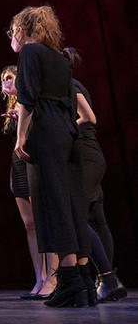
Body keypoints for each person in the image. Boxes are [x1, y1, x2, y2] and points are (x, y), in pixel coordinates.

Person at [7, 5, 91, 307]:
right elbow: (69, 99)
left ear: (22, 29)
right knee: (72, 202)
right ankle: (82, 280)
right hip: (68, 133)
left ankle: (68, 278)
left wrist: (20, 136)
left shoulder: (30, 53)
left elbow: (27, 99)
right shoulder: (60, 57)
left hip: (46, 132)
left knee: (53, 202)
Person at [62, 47, 127, 302]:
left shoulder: (70, 85)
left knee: (76, 217)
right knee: (97, 220)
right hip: (92, 156)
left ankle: (106, 278)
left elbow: (89, 117)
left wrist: (64, 126)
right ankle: (107, 281)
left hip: (86, 158)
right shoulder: (73, 84)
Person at [0, 66, 58, 300]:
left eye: (9, 78)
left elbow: (42, 131)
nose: (5, 82)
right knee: (30, 225)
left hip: (35, 164)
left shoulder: (30, 101)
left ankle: (53, 279)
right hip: (18, 168)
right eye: (3, 79)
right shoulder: (12, 107)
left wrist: (22, 118)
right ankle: (39, 277)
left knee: (44, 223)